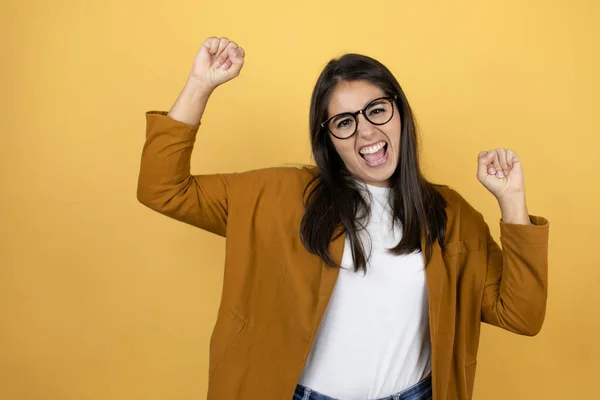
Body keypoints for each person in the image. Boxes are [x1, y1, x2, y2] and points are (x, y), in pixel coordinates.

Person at [137, 37, 549, 400]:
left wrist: (511, 203)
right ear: (329, 138)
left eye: (377, 111)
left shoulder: (448, 213)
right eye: (345, 122)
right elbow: (163, 189)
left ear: (399, 112)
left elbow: (520, 315)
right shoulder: (280, 195)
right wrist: (199, 85)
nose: (365, 133)